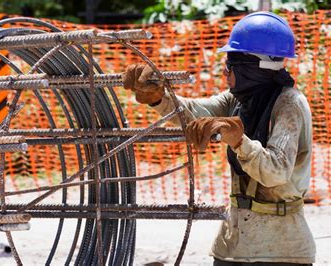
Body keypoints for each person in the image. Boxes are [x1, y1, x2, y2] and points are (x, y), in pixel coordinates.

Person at [122, 12, 316, 265]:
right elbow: (194, 113)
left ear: (250, 68)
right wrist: (159, 98)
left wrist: (239, 141)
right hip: (234, 245)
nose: (226, 73)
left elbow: (277, 172)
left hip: (280, 249)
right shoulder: (240, 100)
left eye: (230, 66)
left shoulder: (289, 104)